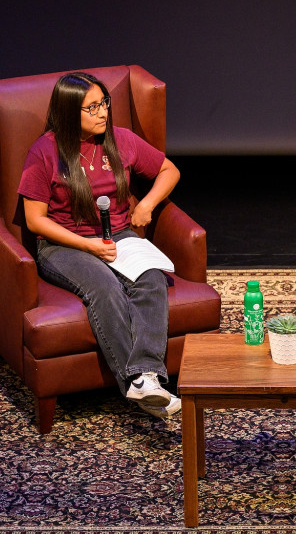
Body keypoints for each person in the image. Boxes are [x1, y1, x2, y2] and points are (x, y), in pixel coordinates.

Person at [17, 72, 182, 420]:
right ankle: (135, 379)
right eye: (90, 108)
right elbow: (35, 221)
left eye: (104, 103)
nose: (102, 113)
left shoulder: (120, 140)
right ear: (67, 112)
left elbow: (169, 170)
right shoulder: (44, 151)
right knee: (105, 287)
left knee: (152, 277)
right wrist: (88, 246)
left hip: (119, 234)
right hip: (63, 244)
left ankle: (147, 376)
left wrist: (146, 204)